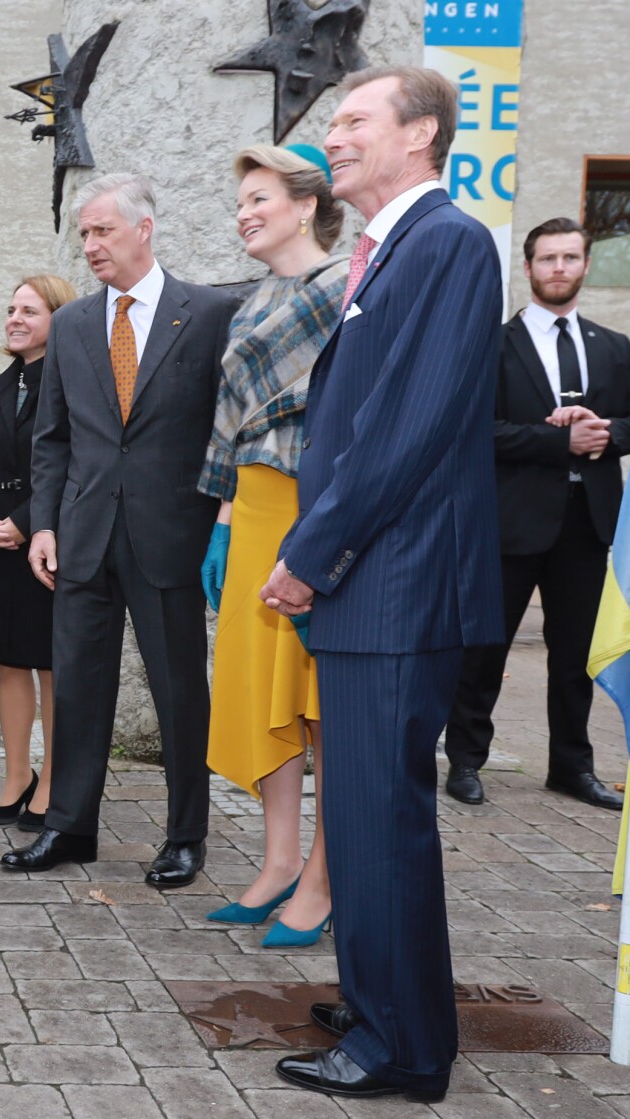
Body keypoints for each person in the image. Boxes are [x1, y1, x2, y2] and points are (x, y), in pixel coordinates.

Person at [260, 66, 503, 1101]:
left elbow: (404, 431)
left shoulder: (447, 242)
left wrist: (311, 556)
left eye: (355, 120)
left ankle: (402, 1050)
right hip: (378, 584)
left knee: (376, 817)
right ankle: (383, 998)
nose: (335, 137)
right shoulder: (394, 247)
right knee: (360, 817)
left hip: (395, 587)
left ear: (420, 135)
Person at [5, 174, 238, 879]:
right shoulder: (73, 322)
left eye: (102, 230)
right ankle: (69, 827)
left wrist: (222, 515)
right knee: (76, 688)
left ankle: (185, 835)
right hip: (82, 537)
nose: (91, 245)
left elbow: (224, 430)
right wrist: (42, 525)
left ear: (144, 229)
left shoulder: (206, 314)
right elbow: (53, 439)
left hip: (171, 536)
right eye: (83, 233)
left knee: (179, 691)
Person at [198, 145, 347, 946]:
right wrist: (221, 521)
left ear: (305, 203)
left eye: (259, 198)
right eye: (240, 202)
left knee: (317, 701)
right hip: (251, 510)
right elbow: (229, 415)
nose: (245, 213)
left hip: (309, 510)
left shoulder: (345, 287)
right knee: (263, 696)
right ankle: (279, 859)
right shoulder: (256, 298)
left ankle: (322, 883)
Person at [444, 217, 630, 810]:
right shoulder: (491, 345)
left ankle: (572, 768)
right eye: (547, 259)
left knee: (575, 655)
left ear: (584, 265)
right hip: (511, 520)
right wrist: (556, 442)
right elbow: (474, 431)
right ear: (527, 268)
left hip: (588, 522)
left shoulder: (613, 347)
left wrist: (603, 433)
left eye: (570, 258)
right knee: (484, 649)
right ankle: (466, 761)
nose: (559, 268)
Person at [0, 274, 78, 828]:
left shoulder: (75, 382)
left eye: (29, 310)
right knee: (9, 663)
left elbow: (76, 466)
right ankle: (16, 775)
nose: (15, 318)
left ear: (60, 318)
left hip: (48, 545)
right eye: (11, 309)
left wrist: (26, 524)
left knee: (51, 668)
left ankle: (52, 781)